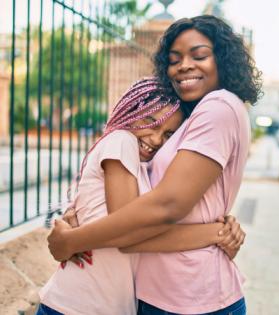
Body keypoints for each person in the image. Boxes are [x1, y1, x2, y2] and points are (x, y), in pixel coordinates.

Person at [47, 15, 262, 315]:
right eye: (174, 60)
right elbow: (146, 206)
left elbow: (163, 207)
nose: (184, 65)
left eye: (199, 55)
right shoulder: (178, 123)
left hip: (189, 295)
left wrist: (69, 241)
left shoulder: (219, 105)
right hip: (162, 294)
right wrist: (215, 230)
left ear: (224, 60)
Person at [37, 77, 242, 315]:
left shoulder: (146, 168)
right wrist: (215, 233)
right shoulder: (120, 140)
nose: (156, 139)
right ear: (130, 110)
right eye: (151, 122)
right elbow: (129, 232)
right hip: (75, 306)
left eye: (168, 134)